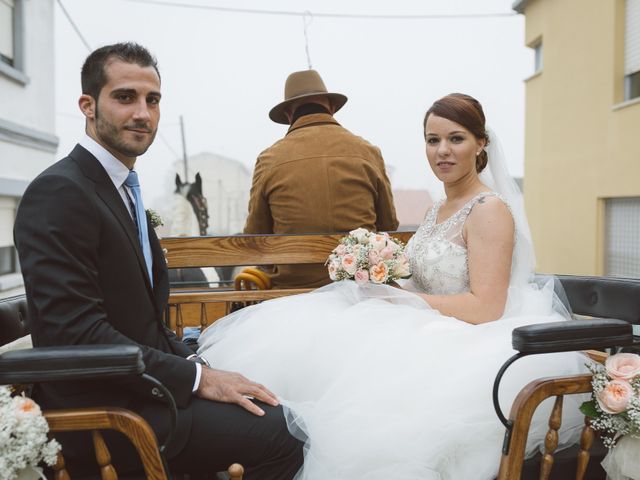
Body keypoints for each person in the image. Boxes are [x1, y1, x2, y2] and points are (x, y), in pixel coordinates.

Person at [197, 93, 588, 479]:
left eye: (456, 139)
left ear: (481, 143)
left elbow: (487, 308)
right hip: (424, 319)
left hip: (467, 337)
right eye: (433, 140)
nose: (442, 152)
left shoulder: (488, 210)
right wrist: (376, 274)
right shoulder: (440, 207)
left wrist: (400, 300)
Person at [13, 42, 303, 479]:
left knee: (277, 391)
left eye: (153, 100)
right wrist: (197, 381)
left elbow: (143, 321)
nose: (143, 113)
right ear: (87, 106)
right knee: (286, 434)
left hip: (141, 391)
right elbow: (75, 333)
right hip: (105, 413)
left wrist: (197, 365)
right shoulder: (60, 192)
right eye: (125, 97)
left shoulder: (122, 190)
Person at [244, 69, 399, 288]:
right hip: (361, 286)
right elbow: (388, 225)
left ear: (288, 114)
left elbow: (255, 238)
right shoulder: (368, 151)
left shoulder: (269, 159)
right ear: (331, 107)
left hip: (293, 290)